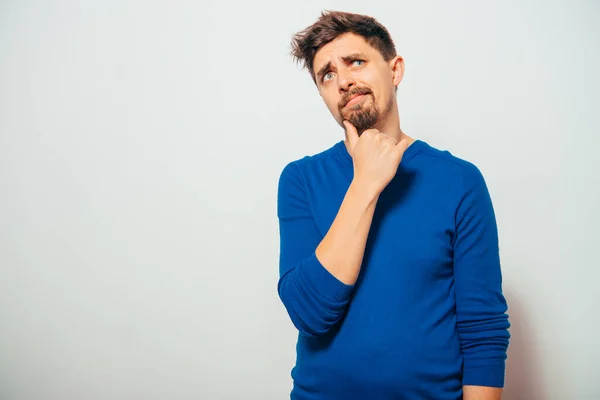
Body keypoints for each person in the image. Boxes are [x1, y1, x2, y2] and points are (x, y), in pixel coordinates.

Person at [276, 10, 510, 400]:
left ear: (394, 69)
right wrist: (366, 181)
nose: (344, 80)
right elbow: (309, 313)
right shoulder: (301, 179)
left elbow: (483, 329)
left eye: (356, 62)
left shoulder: (459, 181)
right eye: (327, 74)